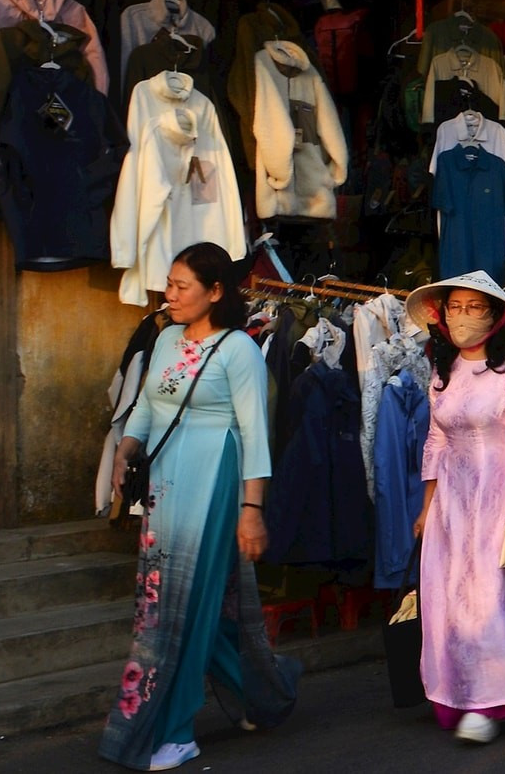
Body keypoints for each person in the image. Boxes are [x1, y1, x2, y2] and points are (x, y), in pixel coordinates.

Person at [100, 243, 299, 772]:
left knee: (185, 607)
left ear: (215, 292)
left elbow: (257, 434)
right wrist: (124, 452)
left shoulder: (239, 350)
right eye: (169, 283)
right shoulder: (164, 337)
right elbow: (145, 406)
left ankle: (178, 729)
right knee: (171, 605)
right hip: (166, 488)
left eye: (181, 286)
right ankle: (266, 692)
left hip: (216, 483)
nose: (170, 294)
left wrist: (251, 508)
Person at [407, 271, 505, 743]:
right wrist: (426, 506)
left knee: (485, 601)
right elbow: (435, 440)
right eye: (455, 307)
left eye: (476, 308)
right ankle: (454, 694)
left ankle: (491, 701)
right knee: (445, 600)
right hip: (452, 500)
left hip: (500, 499)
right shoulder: (442, 371)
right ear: (440, 314)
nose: (463, 317)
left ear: (497, 318)